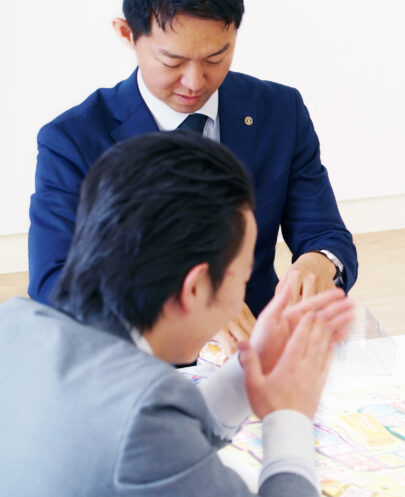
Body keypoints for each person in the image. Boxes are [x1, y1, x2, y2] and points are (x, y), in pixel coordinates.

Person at [0, 132, 358, 497]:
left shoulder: (14, 324)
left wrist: (251, 367)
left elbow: (150, 455)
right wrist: (291, 415)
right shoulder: (140, 418)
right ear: (194, 288)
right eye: (241, 278)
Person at [29, 0, 357, 353]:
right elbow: (53, 282)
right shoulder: (73, 139)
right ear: (127, 34)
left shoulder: (279, 111)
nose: (194, 82)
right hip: (138, 361)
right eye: (172, 61)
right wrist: (183, 314)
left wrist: (320, 262)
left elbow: (325, 233)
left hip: (258, 352)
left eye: (216, 58)